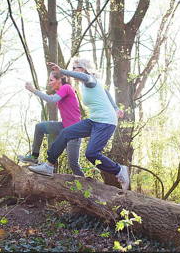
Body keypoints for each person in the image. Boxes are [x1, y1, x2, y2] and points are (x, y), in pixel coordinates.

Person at [29, 58, 130, 190]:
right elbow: (106, 92)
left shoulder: (89, 80)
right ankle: (49, 165)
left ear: (82, 69)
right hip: (93, 120)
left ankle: (119, 170)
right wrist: (116, 107)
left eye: (75, 69)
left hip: (106, 122)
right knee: (66, 132)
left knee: (91, 154)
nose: (73, 72)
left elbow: (83, 76)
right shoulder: (87, 85)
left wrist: (62, 70)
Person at [18, 71, 84, 177]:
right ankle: (34, 157)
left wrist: (33, 90)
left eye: (51, 80)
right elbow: (52, 98)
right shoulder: (61, 92)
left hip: (74, 130)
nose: (49, 83)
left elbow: (51, 100)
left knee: (73, 164)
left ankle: (88, 187)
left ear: (60, 79)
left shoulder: (67, 87)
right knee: (39, 127)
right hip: (63, 127)